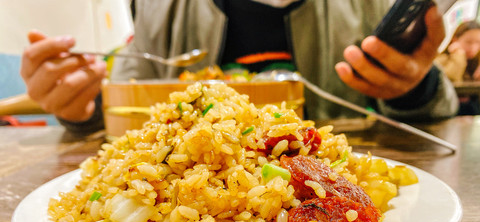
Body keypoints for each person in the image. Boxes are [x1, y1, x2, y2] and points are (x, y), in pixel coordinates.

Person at [20, 0, 459, 134]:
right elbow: (121, 121)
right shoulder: (156, 7)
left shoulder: (371, 4)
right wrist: (80, 106)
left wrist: (411, 87)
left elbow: (440, 114)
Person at [435, 20, 480, 115]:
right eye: (468, 42)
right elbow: (451, 79)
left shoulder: (476, 63)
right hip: (449, 111)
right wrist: (458, 56)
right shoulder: (442, 60)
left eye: (478, 42)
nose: (473, 47)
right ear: (455, 40)